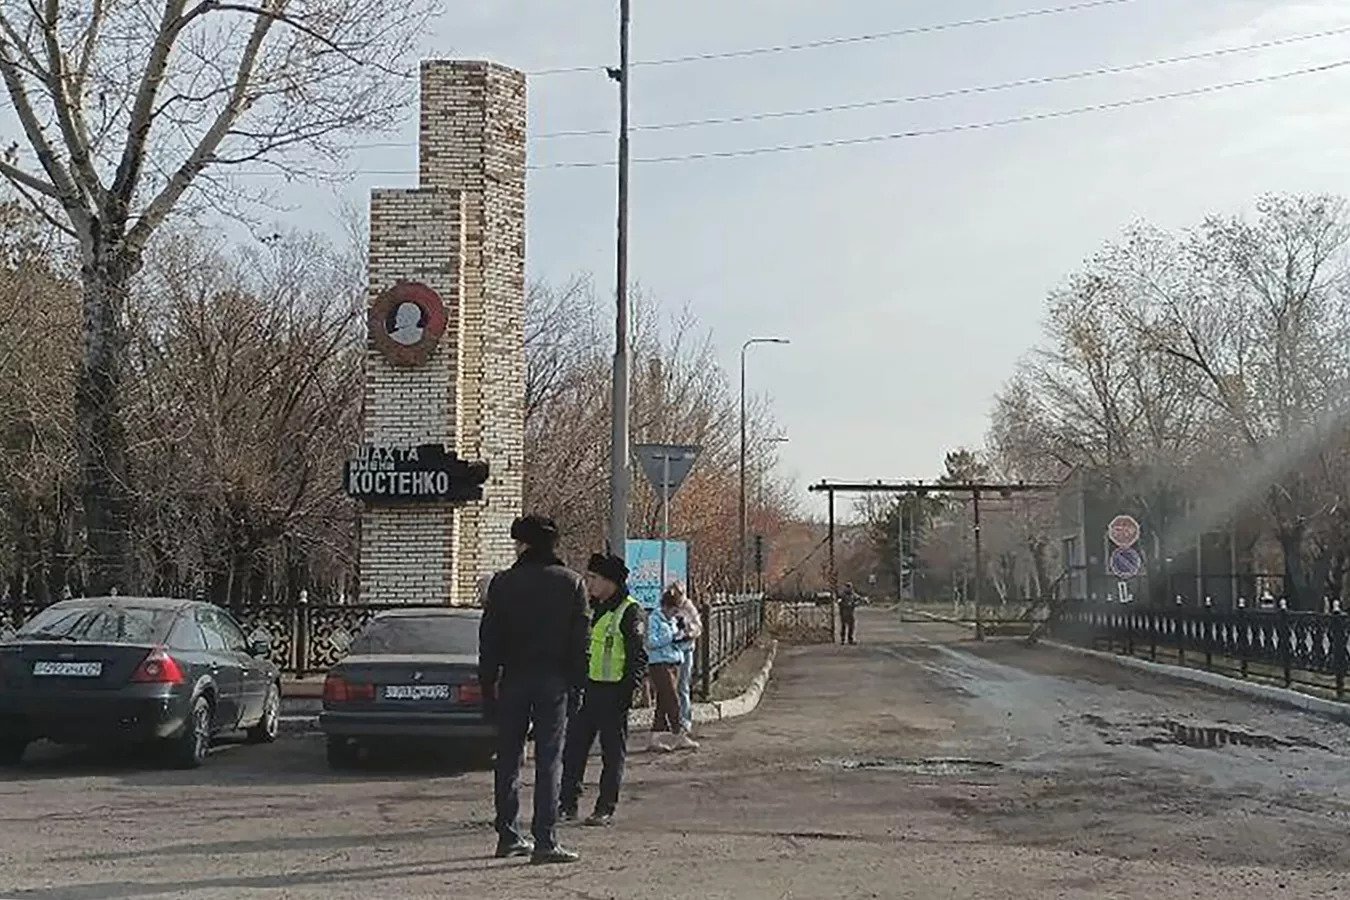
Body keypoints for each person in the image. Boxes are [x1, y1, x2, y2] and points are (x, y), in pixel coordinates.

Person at [478, 515, 588, 865]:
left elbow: (488, 639)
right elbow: (580, 643)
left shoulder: (502, 583)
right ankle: (545, 839)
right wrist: (578, 686)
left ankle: (508, 835)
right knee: (549, 760)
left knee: (508, 759)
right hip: (553, 682)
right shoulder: (571, 583)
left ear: (524, 545)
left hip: (513, 680)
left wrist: (486, 684)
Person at [560, 553, 648, 826]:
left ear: (610, 581)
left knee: (612, 754)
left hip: (613, 693)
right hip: (588, 691)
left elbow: (638, 657)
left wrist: (628, 693)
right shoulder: (592, 608)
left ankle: (605, 807)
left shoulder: (629, 611)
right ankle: (567, 804)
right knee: (573, 750)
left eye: (594, 578)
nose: (589, 583)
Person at [646, 587, 698, 752]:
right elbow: (651, 642)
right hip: (659, 664)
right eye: (673, 611)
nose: (674, 615)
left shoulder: (673, 621)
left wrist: (683, 637)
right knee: (672, 700)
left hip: (673, 662)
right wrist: (670, 636)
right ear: (666, 607)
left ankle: (655, 738)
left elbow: (676, 640)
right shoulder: (654, 619)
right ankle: (679, 733)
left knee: (663, 702)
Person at [666, 582, 702, 735]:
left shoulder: (689, 607)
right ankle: (672, 720)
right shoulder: (668, 605)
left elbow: (698, 627)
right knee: (670, 687)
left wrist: (688, 631)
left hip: (686, 649)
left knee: (683, 686)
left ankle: (685, 720)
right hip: (672, 650)